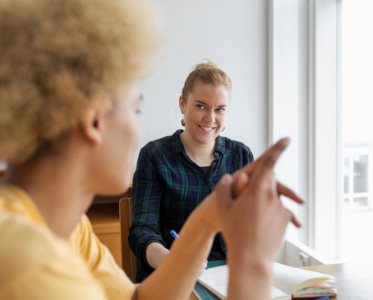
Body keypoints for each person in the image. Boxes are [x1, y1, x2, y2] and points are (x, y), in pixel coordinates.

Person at [0, 0, 303, 300]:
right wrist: (255, 261)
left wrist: (208, 219)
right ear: (94, 121)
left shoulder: (67, 227)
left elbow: (139, 298)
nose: (137, 128)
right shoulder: (29, 264)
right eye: (136, 110)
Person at [129, 61, 254, 282]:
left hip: (229, 277)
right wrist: (171, 260)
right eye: (201, 106)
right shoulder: (154, 156)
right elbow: (143, 230)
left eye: (220, 109)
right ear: (182, 104)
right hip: (169, 277)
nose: (210, 118)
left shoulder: (241, 156)